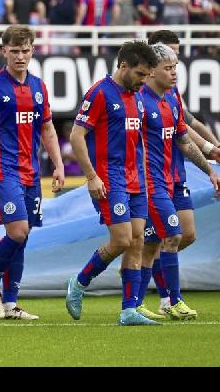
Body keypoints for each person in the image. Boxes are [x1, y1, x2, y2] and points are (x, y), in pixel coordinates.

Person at [0, 25, 65, 320]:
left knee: (24, 236)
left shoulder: (39, 87)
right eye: (14, 51)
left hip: (30, 172)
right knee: (18, 231)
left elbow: (47, 128)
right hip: (1, 170)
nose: (20, 56)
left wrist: (58, 164)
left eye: (25, 50)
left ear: (33, 50)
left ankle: (10, 303)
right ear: (3, 51)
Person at [65, 40, 160, 326]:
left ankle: (128, 310)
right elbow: (76, 136)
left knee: (137, 241)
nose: (144, 81)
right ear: (123, 66)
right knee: (121, 239)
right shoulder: (99, 93)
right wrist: (91, 176)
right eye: (141, 74)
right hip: (109, 178)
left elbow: (138, 139)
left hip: (136, 179)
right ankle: (79, 282)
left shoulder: (138, 95)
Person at [135, 43, 220, 322]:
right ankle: (171, 300)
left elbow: (184, 140)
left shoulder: (171, 98)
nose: (174, 73)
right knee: (167, 237)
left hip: (171, 180)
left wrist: (209, 169)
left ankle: (140, 302)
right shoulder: (139, 102)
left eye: (175, 67)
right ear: (151, 71)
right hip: (149, 182)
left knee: (169, 239)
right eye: (168, 68)